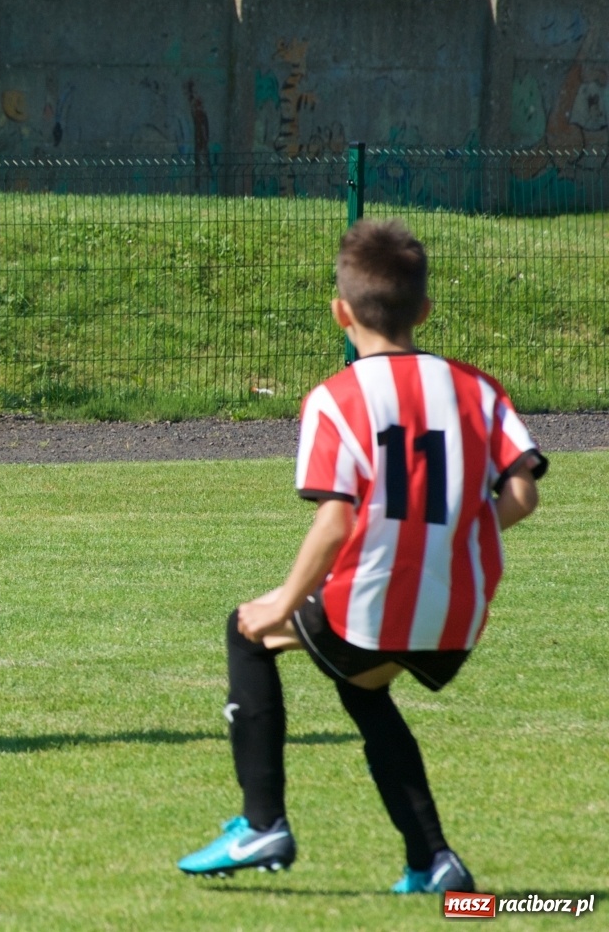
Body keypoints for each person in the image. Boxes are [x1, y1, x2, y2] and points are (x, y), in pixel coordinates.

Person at [177, 220, 546, 893]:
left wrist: (281, 604)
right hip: (459, 609)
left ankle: (262, 822)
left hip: (373, 599)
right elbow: (521, 495)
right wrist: (456, 532)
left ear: (340, 313)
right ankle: (433, 859)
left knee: (248, 630)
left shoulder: (337, 397)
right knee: (363, 685)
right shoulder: (477, 389)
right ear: (425, 311)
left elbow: (336, 519)